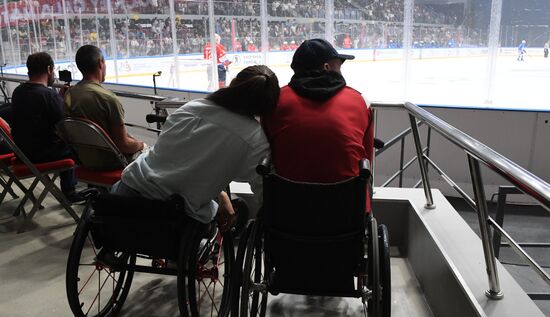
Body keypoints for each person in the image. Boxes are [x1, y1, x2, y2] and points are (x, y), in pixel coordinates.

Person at [112, 65, 280, 231]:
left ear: (233, 82)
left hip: (125, 194)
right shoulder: (255, 140)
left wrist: (220, 194)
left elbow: (175, 166)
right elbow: (263, 192)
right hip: (174, 219)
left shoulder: (191, 108)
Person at [262, 38, 374, 211]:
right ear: (327, 68)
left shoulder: (274, 101)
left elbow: (267, 148)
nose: (341, 70)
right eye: (339, 65)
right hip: (346, 210)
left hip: (288, 210)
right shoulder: (359, 101)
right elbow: (366, 157)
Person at [10, 52, 83, 202]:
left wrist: (59, 98)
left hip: (23, 153)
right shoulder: (48, 95)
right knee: (76, 146)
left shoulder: (18, 92)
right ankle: (70, 191)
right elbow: (65, 125)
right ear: (49, 69)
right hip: (42, 154)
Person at [64, 45, 145, 168]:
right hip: (111, 162)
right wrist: (141, 145)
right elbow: (124, 145)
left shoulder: (69, 95)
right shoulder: (108, 99)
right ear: (100, 63)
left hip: (83, 161)